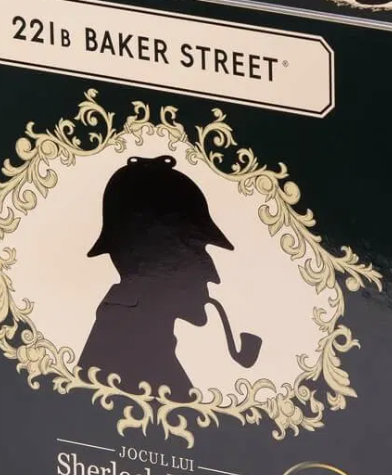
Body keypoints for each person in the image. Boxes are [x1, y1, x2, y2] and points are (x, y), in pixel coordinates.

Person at [79, 155, 261, 403]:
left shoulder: (132, 337)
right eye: (196, 251)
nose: (213, 276)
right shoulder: (129, 347)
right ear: (152, 256)